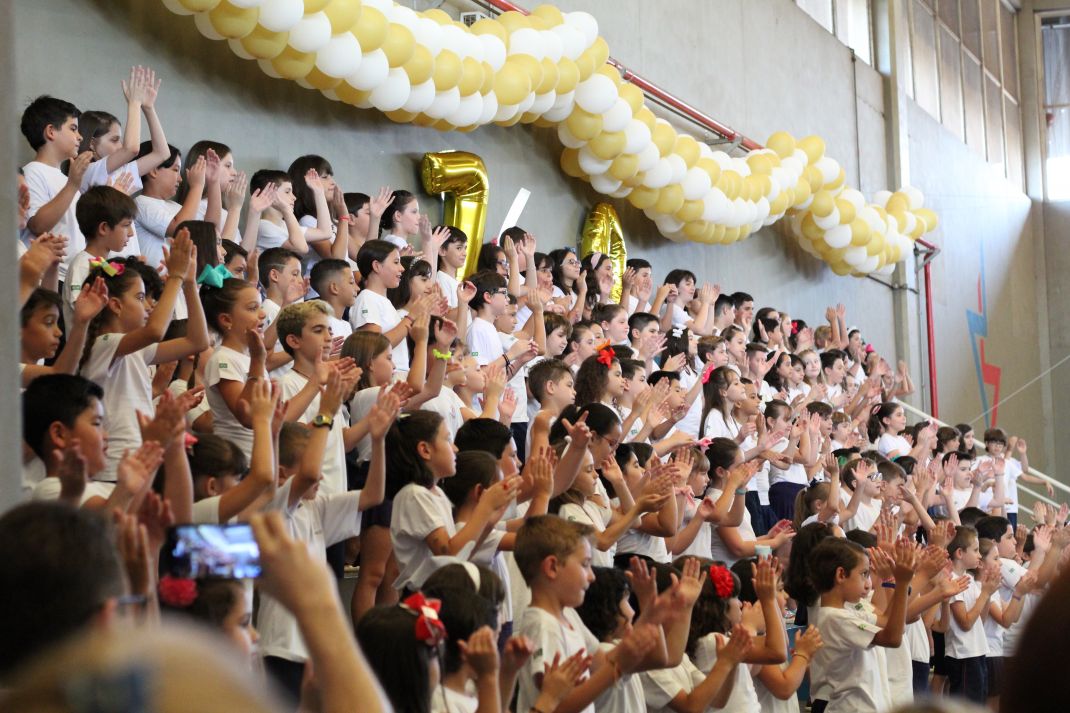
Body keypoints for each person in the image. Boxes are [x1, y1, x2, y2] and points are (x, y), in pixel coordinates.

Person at [258, 369, 395, 701]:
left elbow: (372, 496)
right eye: (310, 464)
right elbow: (307, 474)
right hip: (283, 645)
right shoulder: (271, 505)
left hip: (315, 646)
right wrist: (326, 412)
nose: (320, 473)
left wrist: (377, 442)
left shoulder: (315, 508)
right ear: (281, 474)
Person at [78, 231, 208, 483]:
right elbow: (156, 331)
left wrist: (189, 285)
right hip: (113, 466)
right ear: (115, 305)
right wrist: (176, 277)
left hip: (138, 460)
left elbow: (197, 341)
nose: (148, 306)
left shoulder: (134, 348)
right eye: (140, 298)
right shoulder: (103, 344)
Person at [513, 515, 663, 713]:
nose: (592, 576)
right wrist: (616, 669)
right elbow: (555, 705)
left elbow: (603, 662)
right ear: (552, 567)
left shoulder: (568, 615)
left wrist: (649, 613)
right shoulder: (543, 626)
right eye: (585, 564)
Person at [807, 537, 918, 712]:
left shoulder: (846, 612)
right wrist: (903, 583)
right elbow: (893, 638)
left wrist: (891, 579)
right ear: (841, 575)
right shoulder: (835, 618)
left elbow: (891, 623)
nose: (867, 582)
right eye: (864, 573)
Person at [19, 94, 89, 282]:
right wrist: (73, 185)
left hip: (70, 277)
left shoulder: (65, 178)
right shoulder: (33, 172)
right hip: (48, 276)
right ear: (51, 131)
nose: (80, 136)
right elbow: (37, 225)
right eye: (73, 128)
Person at [62, 186, 136, 324]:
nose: (131, 233)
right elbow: (80, 308)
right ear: (104, 228)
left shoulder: (108, 265)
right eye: (126, 225)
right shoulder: (82, 265)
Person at [309, 258, 358, 341]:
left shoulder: (346, 325)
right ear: (334, 288)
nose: (357, 288)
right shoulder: (320, 325)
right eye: (351, 282)